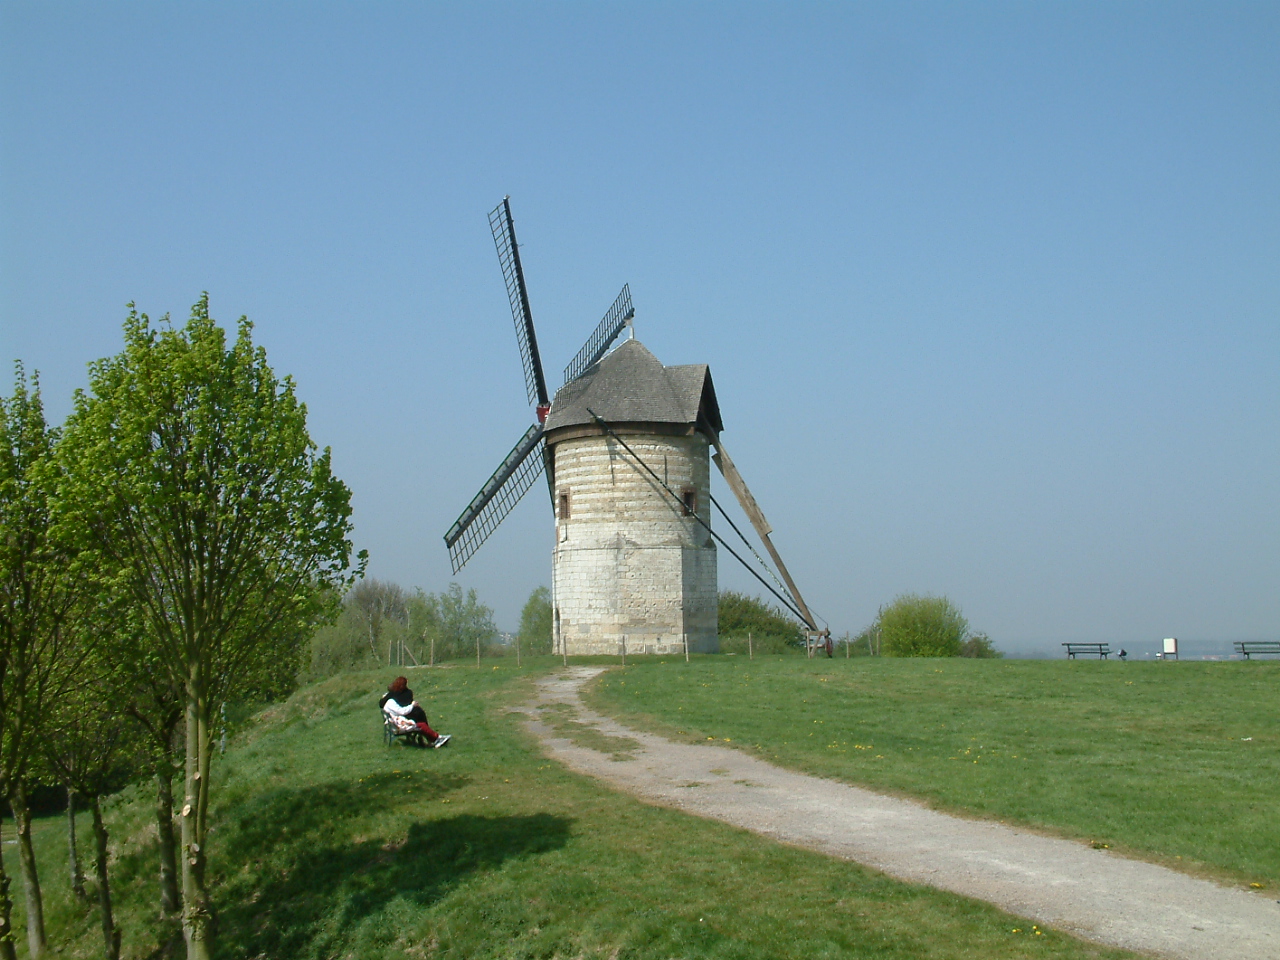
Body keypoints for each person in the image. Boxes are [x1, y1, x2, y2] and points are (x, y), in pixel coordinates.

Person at [380, 676, 450, 748]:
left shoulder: (387, 702)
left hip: (395, 723)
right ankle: (436, 739)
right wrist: (412, 705)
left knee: (421, 723)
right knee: (421, 724)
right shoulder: (391, 702)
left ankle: (437, 738)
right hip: (399, 724)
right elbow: (402, 711)